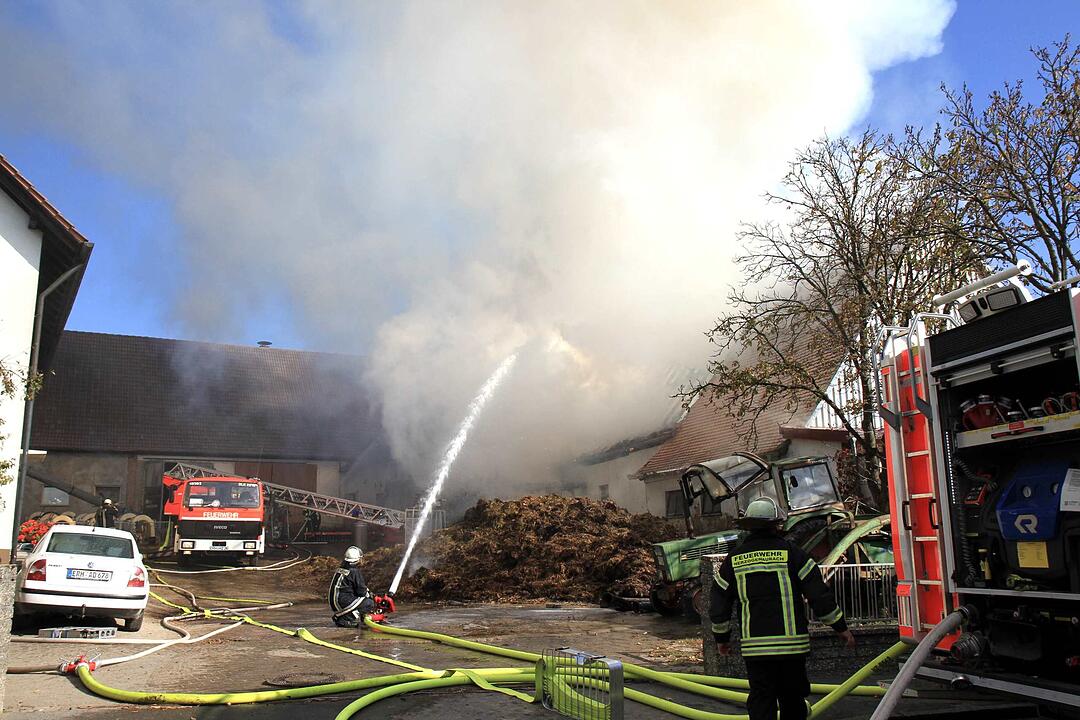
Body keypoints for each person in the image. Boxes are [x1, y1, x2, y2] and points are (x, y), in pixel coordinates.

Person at [710, 497, 855, 720]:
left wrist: (721, 639)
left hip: (756, 650)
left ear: (748, 526)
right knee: (793, 700)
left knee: (762, 700)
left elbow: (719, 603)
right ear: (777, 524)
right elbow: (818, 595)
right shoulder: (794, 554)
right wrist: (840, 628)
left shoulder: (734, 560)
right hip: (792, 649)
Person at [328, 546, 374, 627]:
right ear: (357, 559)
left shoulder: (341, 569)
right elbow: (361, 592)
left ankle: (342, 616)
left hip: (334, 602)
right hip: (343, 601)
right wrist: (370, 595)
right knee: (369, 603)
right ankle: (345, 619)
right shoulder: (354, 571)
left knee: (361, 600)